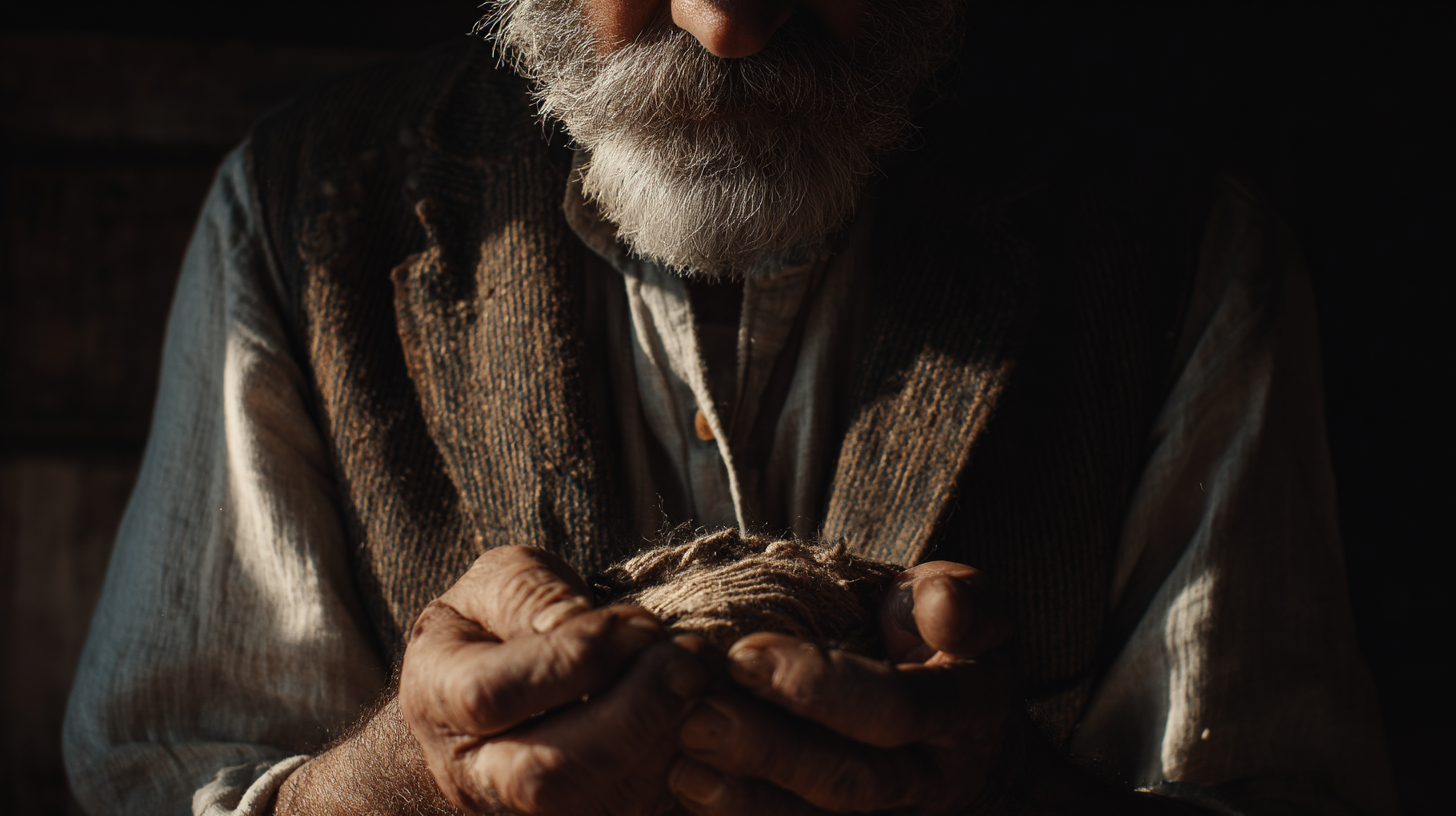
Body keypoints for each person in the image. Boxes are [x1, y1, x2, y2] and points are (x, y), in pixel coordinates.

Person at [62, 1, 1398, 814]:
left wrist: (1013, 794)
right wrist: (418, 781)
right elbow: (158, 788)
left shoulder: (1179, 254)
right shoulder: (307, 221)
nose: (731, 24)